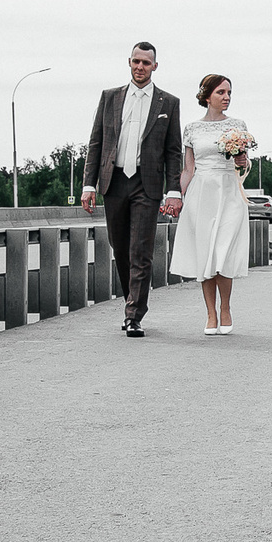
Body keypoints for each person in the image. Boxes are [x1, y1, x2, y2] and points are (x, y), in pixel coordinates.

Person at [80, 41, 183, 337]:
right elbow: (96, 143)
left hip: (146, 184)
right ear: (129, 62)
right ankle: (131, 300)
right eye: (136, 62)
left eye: (146, 63)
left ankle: (133, 315)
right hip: (113, 183)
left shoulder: (168, 103)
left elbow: (173, 152)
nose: (140, 67)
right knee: (121, 248)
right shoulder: (110, 97)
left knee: (141, 251)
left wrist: (173, 190)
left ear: (155, 66)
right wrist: (89, 185)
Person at [169, 74, 254, 334]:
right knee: (205, 254)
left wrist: (242, 161)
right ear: (207, 96)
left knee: (223, 251)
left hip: (229, 192)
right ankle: (210, 314)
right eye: (221, 92)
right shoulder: (192, 129)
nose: (226, 97)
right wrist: (176, 197)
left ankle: (226, 308)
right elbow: (188, 168)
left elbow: (244, 162)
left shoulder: (237, 125)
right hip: (201, 193)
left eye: (229, 92)